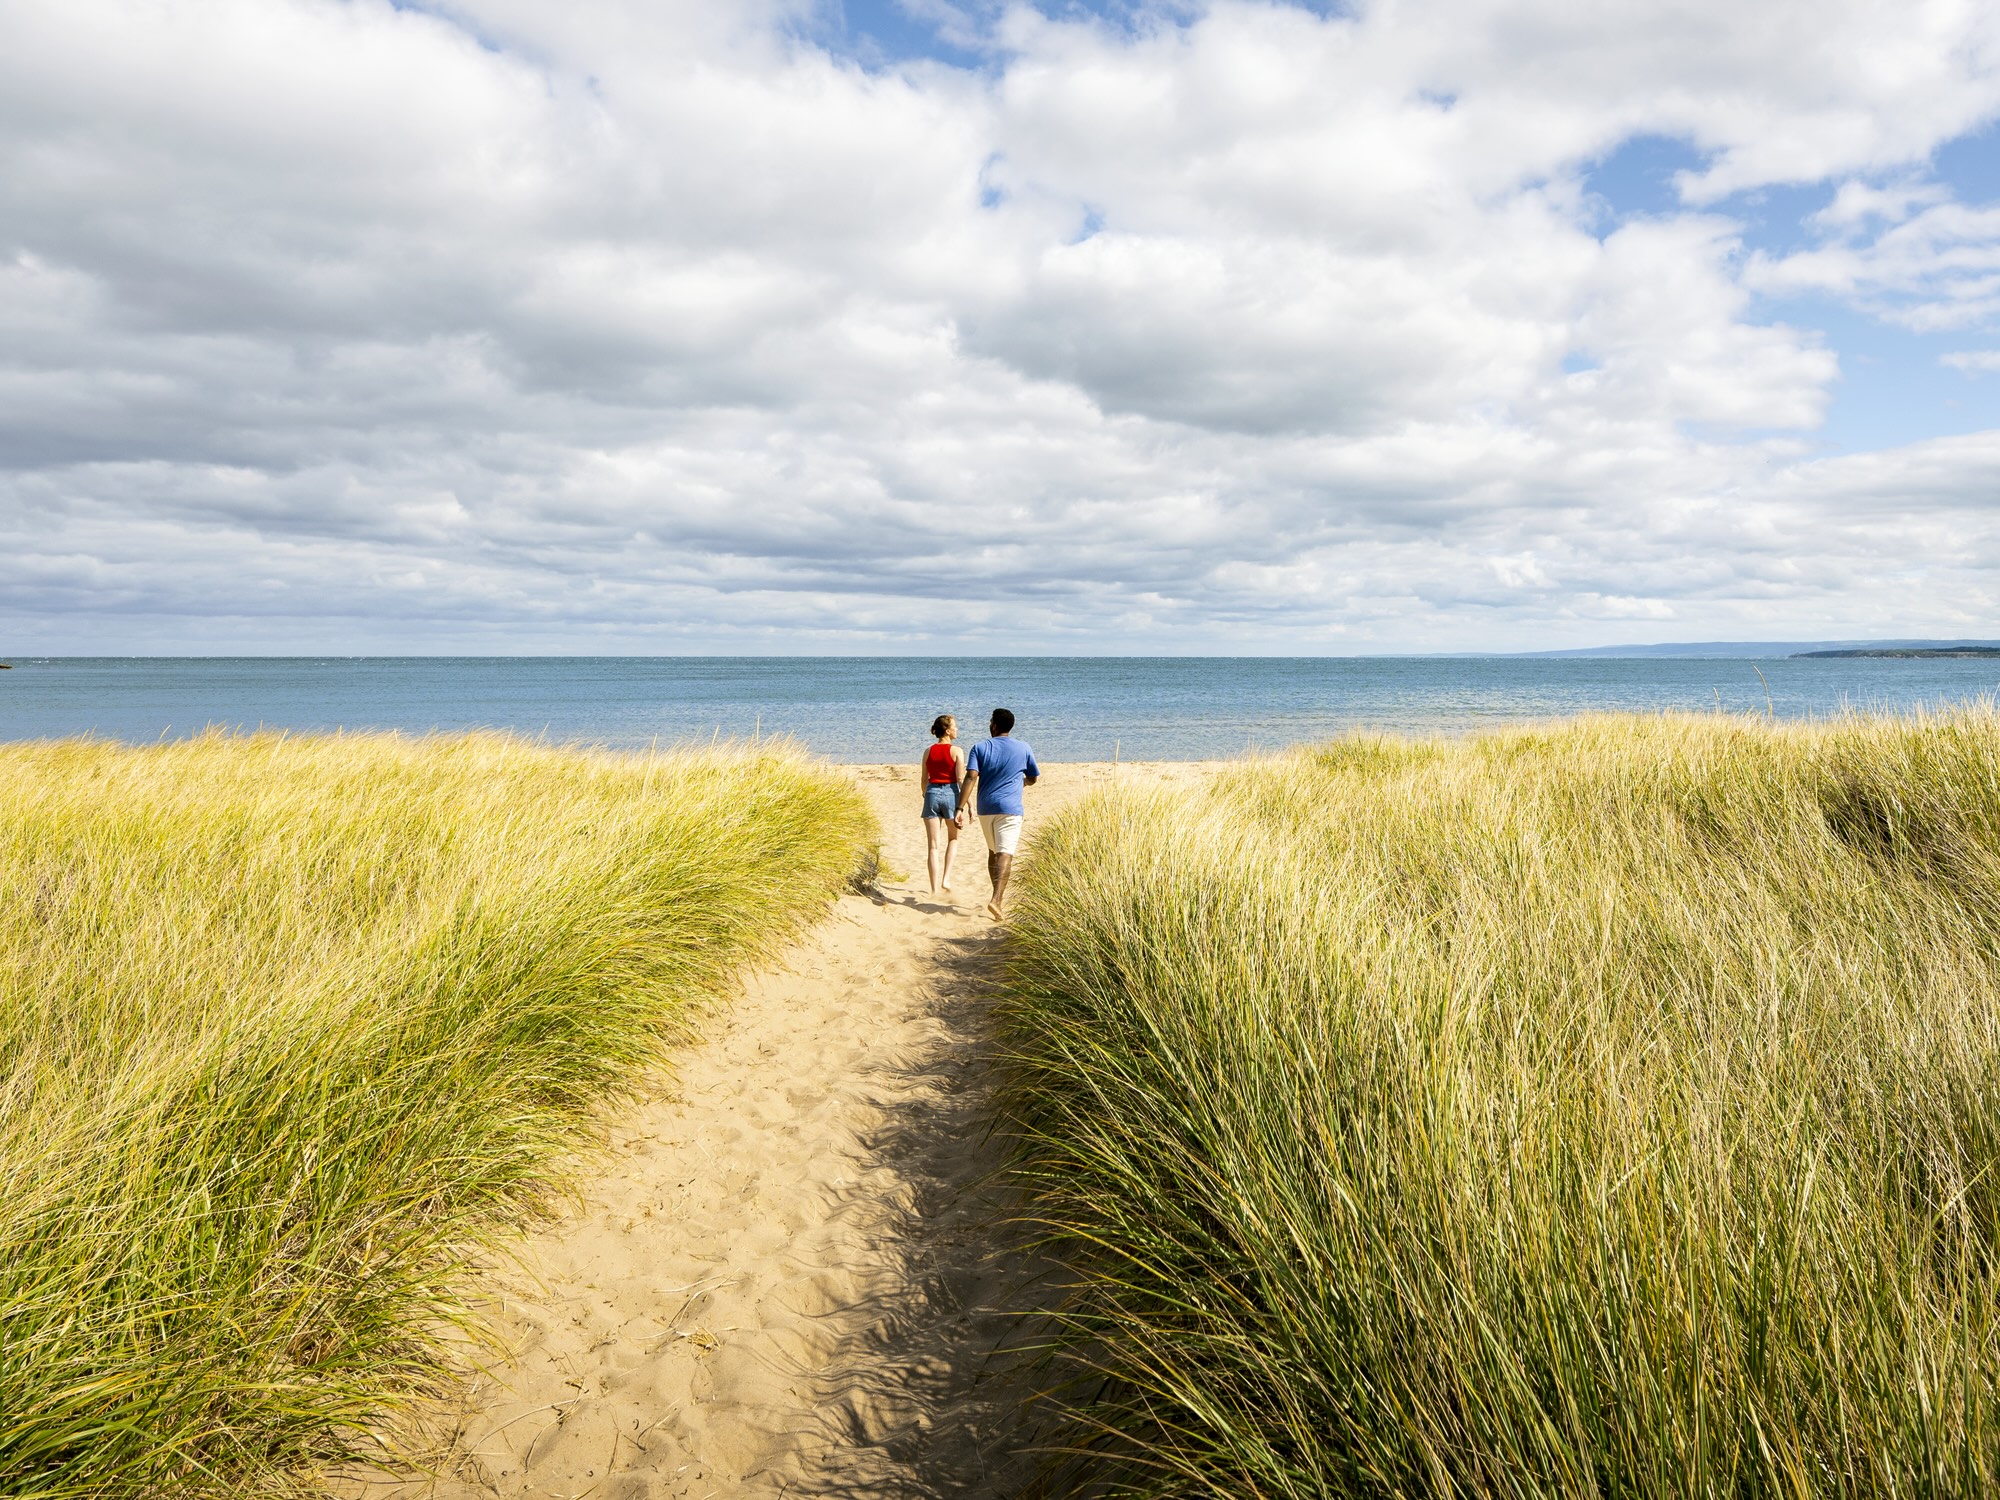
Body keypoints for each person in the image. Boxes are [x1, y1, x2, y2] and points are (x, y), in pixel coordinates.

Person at [955, 707, 1039, 920]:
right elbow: (1033, 777)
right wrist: (1023, 782)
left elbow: (970, 778)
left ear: (993, 724)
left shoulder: (980, 747)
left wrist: (960, 808)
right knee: (1005, 853)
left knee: (993, 851)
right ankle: (997, 900)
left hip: (986, 808)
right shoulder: (1024, 747)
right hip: (1010, 809)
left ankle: (995, 897)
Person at [918, 713, 966, 896]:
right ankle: (946, 878)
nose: (957, 729)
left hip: (931, 792)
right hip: (951, 794)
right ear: (947, 731)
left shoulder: (928, 751)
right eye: (955, 726)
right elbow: (961, 779)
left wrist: (926, 794)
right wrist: (967, 803)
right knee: (953, 839)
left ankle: (932, 889)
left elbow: (924, 779)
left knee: (933, 845)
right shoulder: (957, 751)